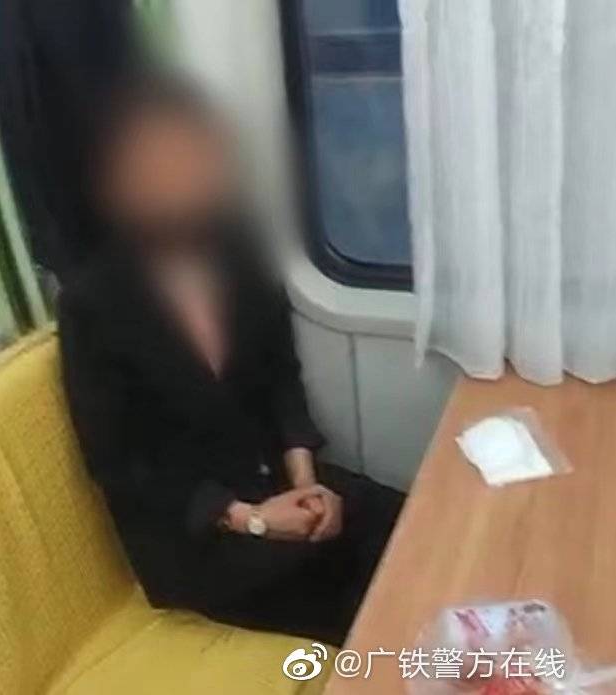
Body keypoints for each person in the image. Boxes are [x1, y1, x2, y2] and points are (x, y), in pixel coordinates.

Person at [57, 73, 404, 646]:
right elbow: (121, 462)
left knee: (409, 526)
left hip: (275, 479)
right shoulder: (93, 302)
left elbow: (281, 379)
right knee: (370, 609)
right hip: (196, 535)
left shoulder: (240, 254)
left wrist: (306, 482)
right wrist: (254, 518)